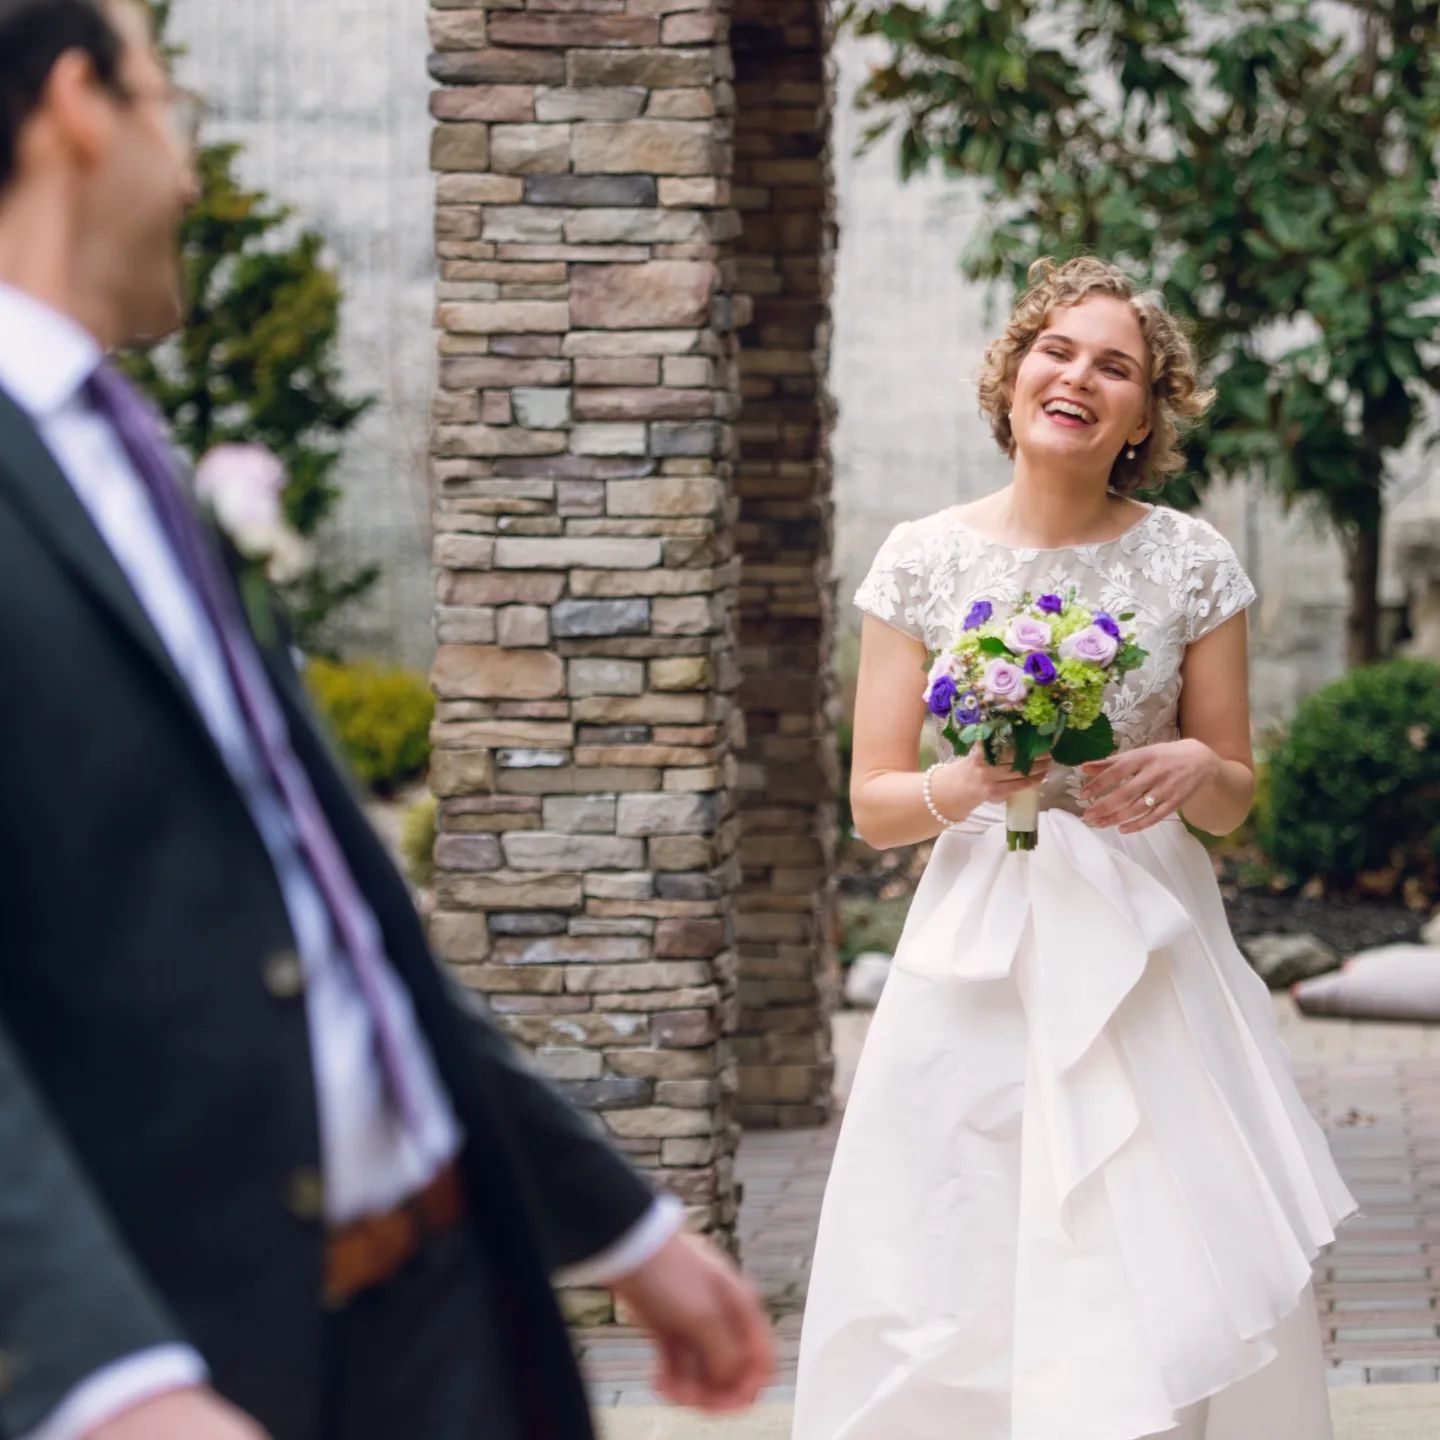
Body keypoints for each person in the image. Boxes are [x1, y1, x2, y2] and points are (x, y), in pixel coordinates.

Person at [0, 3, 773, 1439]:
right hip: (206, 1358)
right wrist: (101, 1378)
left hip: (443, 1315)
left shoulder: (131, 454)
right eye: (169, 104)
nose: (190, 168)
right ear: (76, 106)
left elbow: (324, 906)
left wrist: (618, 1225)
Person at [793, 256, 1356, 1440]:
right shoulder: (923, 557)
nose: (1079, 378)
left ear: (1147, 414)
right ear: (1012, 376)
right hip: (978, 928)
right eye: (1058, 350)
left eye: (1117, 367)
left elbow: (1233, 797)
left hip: (1148, 936)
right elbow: (874, 802)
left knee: (1145, 1222)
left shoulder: (1191, 559)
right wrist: (966, 781)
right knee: (955, 1216)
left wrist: (1203, 768)